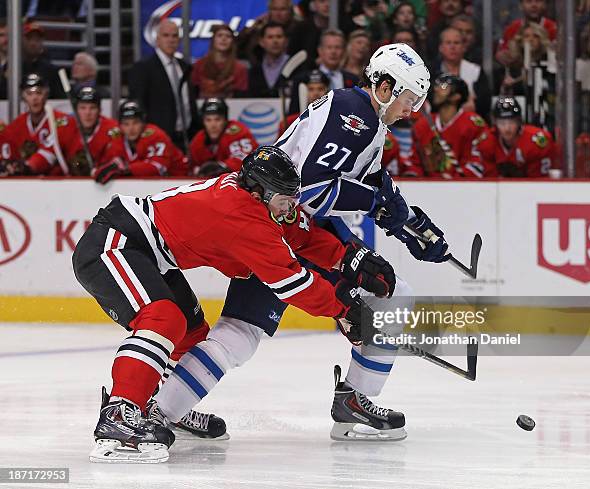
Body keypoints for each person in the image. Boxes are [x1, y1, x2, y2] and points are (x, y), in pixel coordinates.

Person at [155, 43, 451, 442]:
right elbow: (309, 191)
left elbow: (370, 182)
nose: (411, 110)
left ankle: (163, 410)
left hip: (285, 226)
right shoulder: (354, 116)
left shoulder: (367, 119)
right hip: (293, 231)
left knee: (239, 333)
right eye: (409, 99)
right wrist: (376, 207)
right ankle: (356, 401)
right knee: (392, 295)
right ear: (384, 87)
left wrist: (408, 221)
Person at [73, 146, 384, 462]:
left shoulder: (259, 200)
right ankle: (120, 414)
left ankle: (161, 409)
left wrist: (347, 259)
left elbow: (299, 234)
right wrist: (343, 310)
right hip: (114, 243)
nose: (292, 206)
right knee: (164, 319)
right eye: (285, 198)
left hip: (150, 254)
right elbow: (290, 281)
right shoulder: (240, 214)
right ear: (261, 192)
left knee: (191, 333)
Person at [128, 19, 199, 152]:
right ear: (157, 39)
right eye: (166, 35)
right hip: (158, 140)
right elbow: (139, 105)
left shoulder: (184, 67)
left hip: (186, 138)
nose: (171, 40)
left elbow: (190, 104)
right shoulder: (143, 68)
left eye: (174, 36)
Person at [408, 73, 488, 177]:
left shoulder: (473, 124)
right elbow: (414, 162)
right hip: (428, 189)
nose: (436, 90)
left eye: (443, 87)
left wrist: (452, 181)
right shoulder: (422, 125)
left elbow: (478, 163)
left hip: (464, 189)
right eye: (437, 86)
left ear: (456, 96)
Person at [92, 100, 187, 184]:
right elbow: (107, 164)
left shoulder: (156, 136)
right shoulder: (116, 138)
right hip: (149, 186)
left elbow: (158, 168)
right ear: (120, 125)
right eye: (126, 124)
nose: (131, 128)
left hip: (181, 181)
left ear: (143, 123)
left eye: (135, 123)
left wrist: (125, 169)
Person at [0, 73, 75, 177]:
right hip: (25, 184)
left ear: (46, 94)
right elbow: (7, 158)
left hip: (58, 183)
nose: (34, 98)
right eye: (29, 93)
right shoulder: (15, 127)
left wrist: (28, 166)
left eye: (39, 93)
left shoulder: (61, 121)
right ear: (23, 96)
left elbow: (50, 153)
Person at [464, 96, 554, 177]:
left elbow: (538, 182)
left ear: (519, 121)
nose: (507, 128)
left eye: (511, 122)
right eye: (502, 123)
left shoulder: (536, 141)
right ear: (495, 123)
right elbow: (490, 181)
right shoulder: (487, 141)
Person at [289, 30, 359, 113]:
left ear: (344, 51)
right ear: (320, 50)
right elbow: (294, 113)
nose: (333, 52)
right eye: (329, 47)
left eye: (337, 47)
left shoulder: (354, 80)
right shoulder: (302, 79)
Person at [432, 27, 491, 120]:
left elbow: (485, 102)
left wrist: (474, 105)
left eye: (456, 43)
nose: (452, 47)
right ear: (441, 48)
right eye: (448, 43)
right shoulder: (431, 73)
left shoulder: (476, 71)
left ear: (463, 47)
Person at [189, 98, 258, 177]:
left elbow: (246, 161)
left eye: (217, 119)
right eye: (208, 120)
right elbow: (192, 168)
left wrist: (222, 166)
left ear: (225, 120)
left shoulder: (237, 131)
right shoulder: (199, 139)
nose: (213, 125)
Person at [64, 87, 119, 176]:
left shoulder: (112, 129)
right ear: (76, 111)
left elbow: (117, 159)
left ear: (99, 110)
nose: (87, 113)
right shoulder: (65, 128)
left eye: (92, 108)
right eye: (83, 108)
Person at [191, 24, 248, 99]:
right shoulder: (199, 65)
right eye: (220, 35)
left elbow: (241, 97)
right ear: (213, 40)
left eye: (228, 36)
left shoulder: (240, 68)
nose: (223, 39)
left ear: (232, 42)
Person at [277, 69, 330, 136]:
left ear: (327, 91)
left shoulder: (333, 120)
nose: (316, 93)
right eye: (310, 89)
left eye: (320, 89)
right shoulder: (289, 123)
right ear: (303, 91)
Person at [247, 22, 290, 98]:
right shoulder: (254, 71)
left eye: (279, 37)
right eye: (270, 37)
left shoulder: (297, 67)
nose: (275, 41)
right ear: (261, 42)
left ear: (286, 41)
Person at [21, 22, 64, 99]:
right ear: (22, 40)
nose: (33, 43)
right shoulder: (13, 68)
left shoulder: (52, 70)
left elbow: (60, 98)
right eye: (29, 39)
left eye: (37, 39)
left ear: (42, 42)